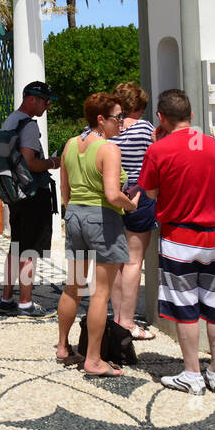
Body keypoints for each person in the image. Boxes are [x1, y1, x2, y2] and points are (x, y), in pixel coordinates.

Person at [138, 89, 215, 395]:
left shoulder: (158, 150)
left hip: (179, 238)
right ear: (191, 115)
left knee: (185, 307)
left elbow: (149, 193)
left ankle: (191, 373)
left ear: (160, 118)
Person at [55, 93, 141, 375]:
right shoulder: (108, 149)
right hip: (103, 219)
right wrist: (131, 204)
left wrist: (75, 214)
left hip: (76, 215)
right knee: (100, 292)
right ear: (101, 120)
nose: (122, 122)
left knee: (74, 286)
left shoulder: (69, 145)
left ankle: (62, 346)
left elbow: (64, 193)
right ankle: (93, 359)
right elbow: (112, 194)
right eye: (117, 117)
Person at [0, 81, 61, 318]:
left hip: (15, 194)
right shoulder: (29, 126)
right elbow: (30, 162)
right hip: (33, 194)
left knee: (16, 245)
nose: (47, 106)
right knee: (29, 250)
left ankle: (6, 298)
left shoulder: (10, 120)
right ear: (31, 99)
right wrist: (54, 163)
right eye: (45, 101)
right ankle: (25, 302)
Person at [107, 82, 158, 340]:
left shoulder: (107, 129)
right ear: (136, 107)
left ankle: (117, 317)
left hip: (112, 197)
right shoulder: (145, 129)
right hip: (140, 196)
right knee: (134, 261)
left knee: (116, 263)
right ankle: (127, 321)